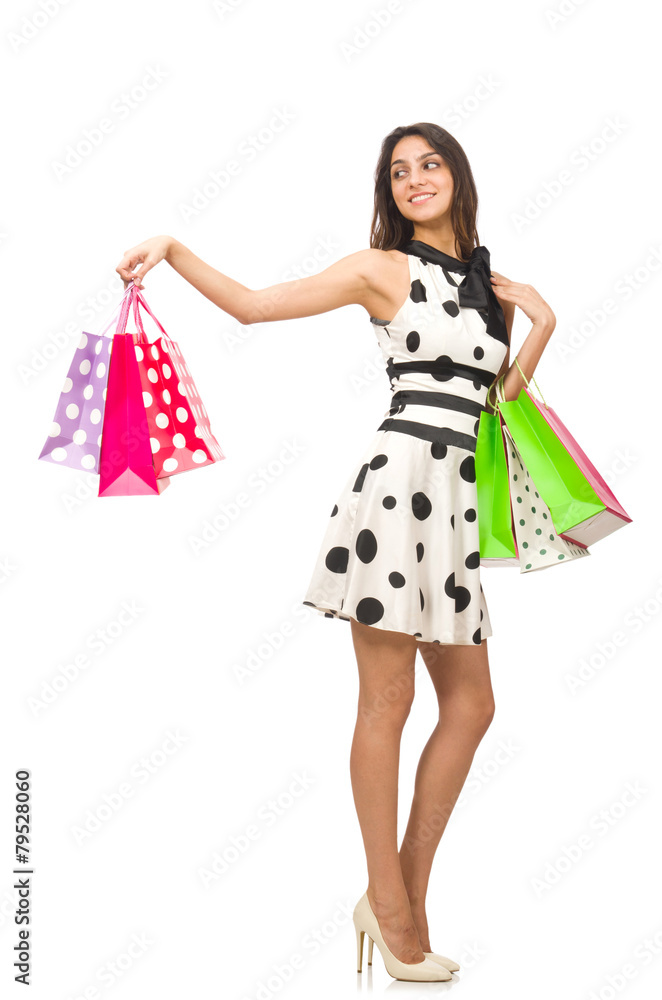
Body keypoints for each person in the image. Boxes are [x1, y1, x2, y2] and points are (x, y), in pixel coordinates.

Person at [115, 122, 556, 983]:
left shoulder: (487, 288)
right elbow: (253, 305)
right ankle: (391, 910)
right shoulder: (380, 269)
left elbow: (497, 399)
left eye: (430, 165)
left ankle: (404, 894)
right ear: (388, 192)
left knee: (472, 706)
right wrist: (173, 246)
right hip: (396, 496)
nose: (415, 179)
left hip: (456, 506)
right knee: (387, 703)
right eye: (399, 171)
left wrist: (541, 322)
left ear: (459, 177)